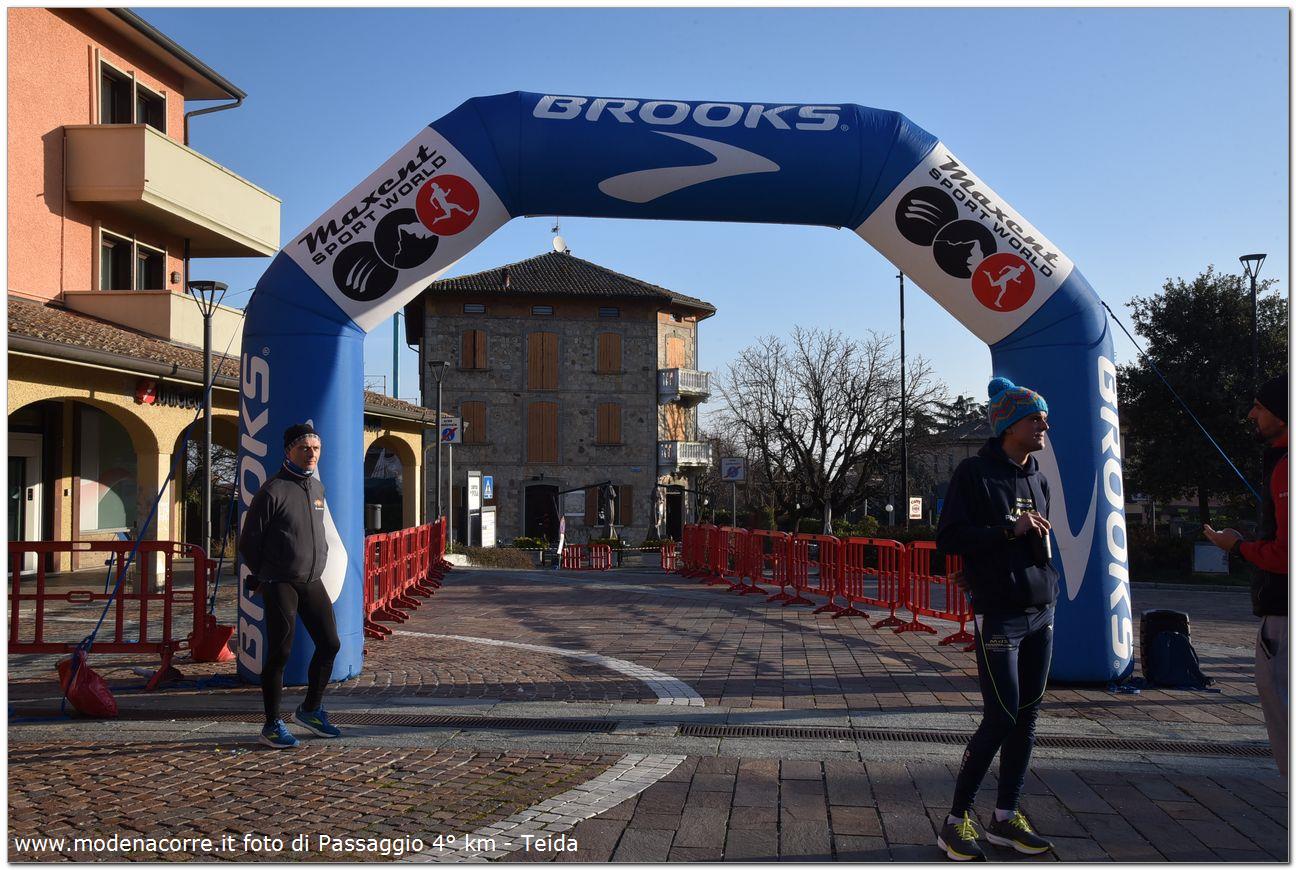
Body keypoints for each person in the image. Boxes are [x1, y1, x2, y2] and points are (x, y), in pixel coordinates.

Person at [934, 377, 1058, 861]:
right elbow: (950, 538)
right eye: (1036, 419)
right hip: (1001, 616)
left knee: (1027, 717)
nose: (1044, 426)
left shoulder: (1039, 478)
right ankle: (954, 821)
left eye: (1045, 418)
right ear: (1009, 425)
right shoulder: (974, 472)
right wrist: (1007, 532)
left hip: (1042, 611)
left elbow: (1035, 543)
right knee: (1001, 716)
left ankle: (1005, 817)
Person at [238, 422, 343, 749]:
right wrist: (264, 575)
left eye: (316, 448)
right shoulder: (272, 490)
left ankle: (310, 710)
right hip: (280, 581)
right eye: (304, 448)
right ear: (289, 451)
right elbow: (248, 543)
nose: (311, 453)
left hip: (311, 580)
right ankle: (271, 724)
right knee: (280, 652)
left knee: (330, 644)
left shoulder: (317, 488)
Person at [1203, 373, 1288, 775]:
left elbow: (1286, 555)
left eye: (1259, 406)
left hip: (1284, 616)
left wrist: (1236, 547)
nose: (1252, 414)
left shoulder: (1286, 467)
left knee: (1283, 714)